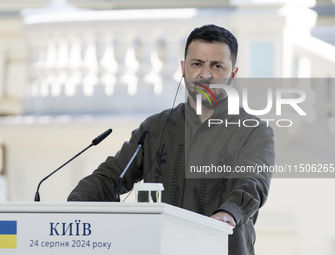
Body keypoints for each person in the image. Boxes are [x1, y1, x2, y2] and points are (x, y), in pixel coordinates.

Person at [68, 24, 275, 255]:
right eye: (197, 64)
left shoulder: (253, 132)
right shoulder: (154, 128)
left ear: (233, 74)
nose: (205, 75)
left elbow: (253, 183)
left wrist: (229, 213)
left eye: (217, 66)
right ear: (183, 68)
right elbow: (111, 176)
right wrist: (73, 208)